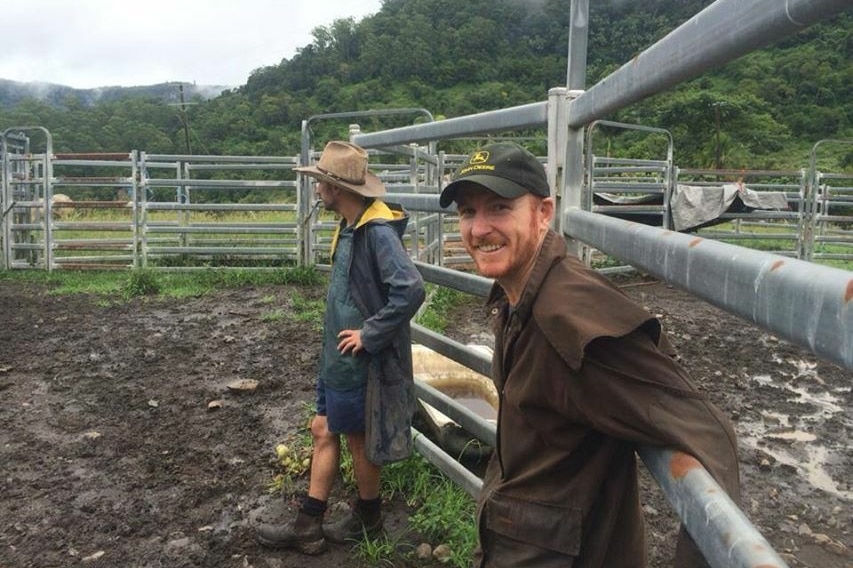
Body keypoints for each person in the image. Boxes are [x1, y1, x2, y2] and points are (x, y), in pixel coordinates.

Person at [438, 142, 741, 568]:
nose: (478, 229)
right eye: (467, 212)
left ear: (543, 212)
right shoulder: (520, 297)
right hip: (525, 538)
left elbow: (706, 430)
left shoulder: (571, 321)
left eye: (499, 208)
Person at [255, 141, 425, 554]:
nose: (317, 190)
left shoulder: (377, 232)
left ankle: (354, 520)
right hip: (337, 355)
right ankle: (319, 523)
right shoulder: (350, 226)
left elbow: (410, 289)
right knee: (324, 429)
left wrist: (369, 334)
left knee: (354, 439)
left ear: (337, 188)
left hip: (357, 360)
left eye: (321, 183)